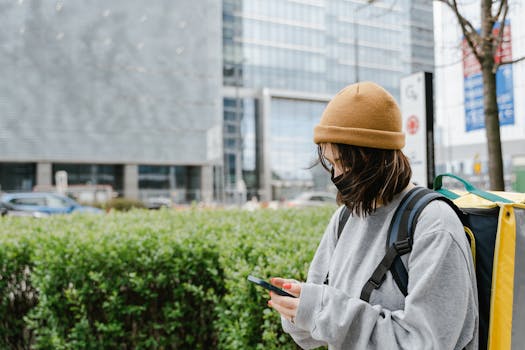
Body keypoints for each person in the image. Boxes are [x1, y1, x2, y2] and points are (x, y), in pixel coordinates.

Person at [268, 82, 478, 349]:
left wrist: (323, 309)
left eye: (343, 163)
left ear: (373, 157)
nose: (335, 175)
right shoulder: (344, 219)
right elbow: (317, 329)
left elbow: (424, 342)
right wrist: (300, 308)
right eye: (331, 164)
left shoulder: (433, 224)